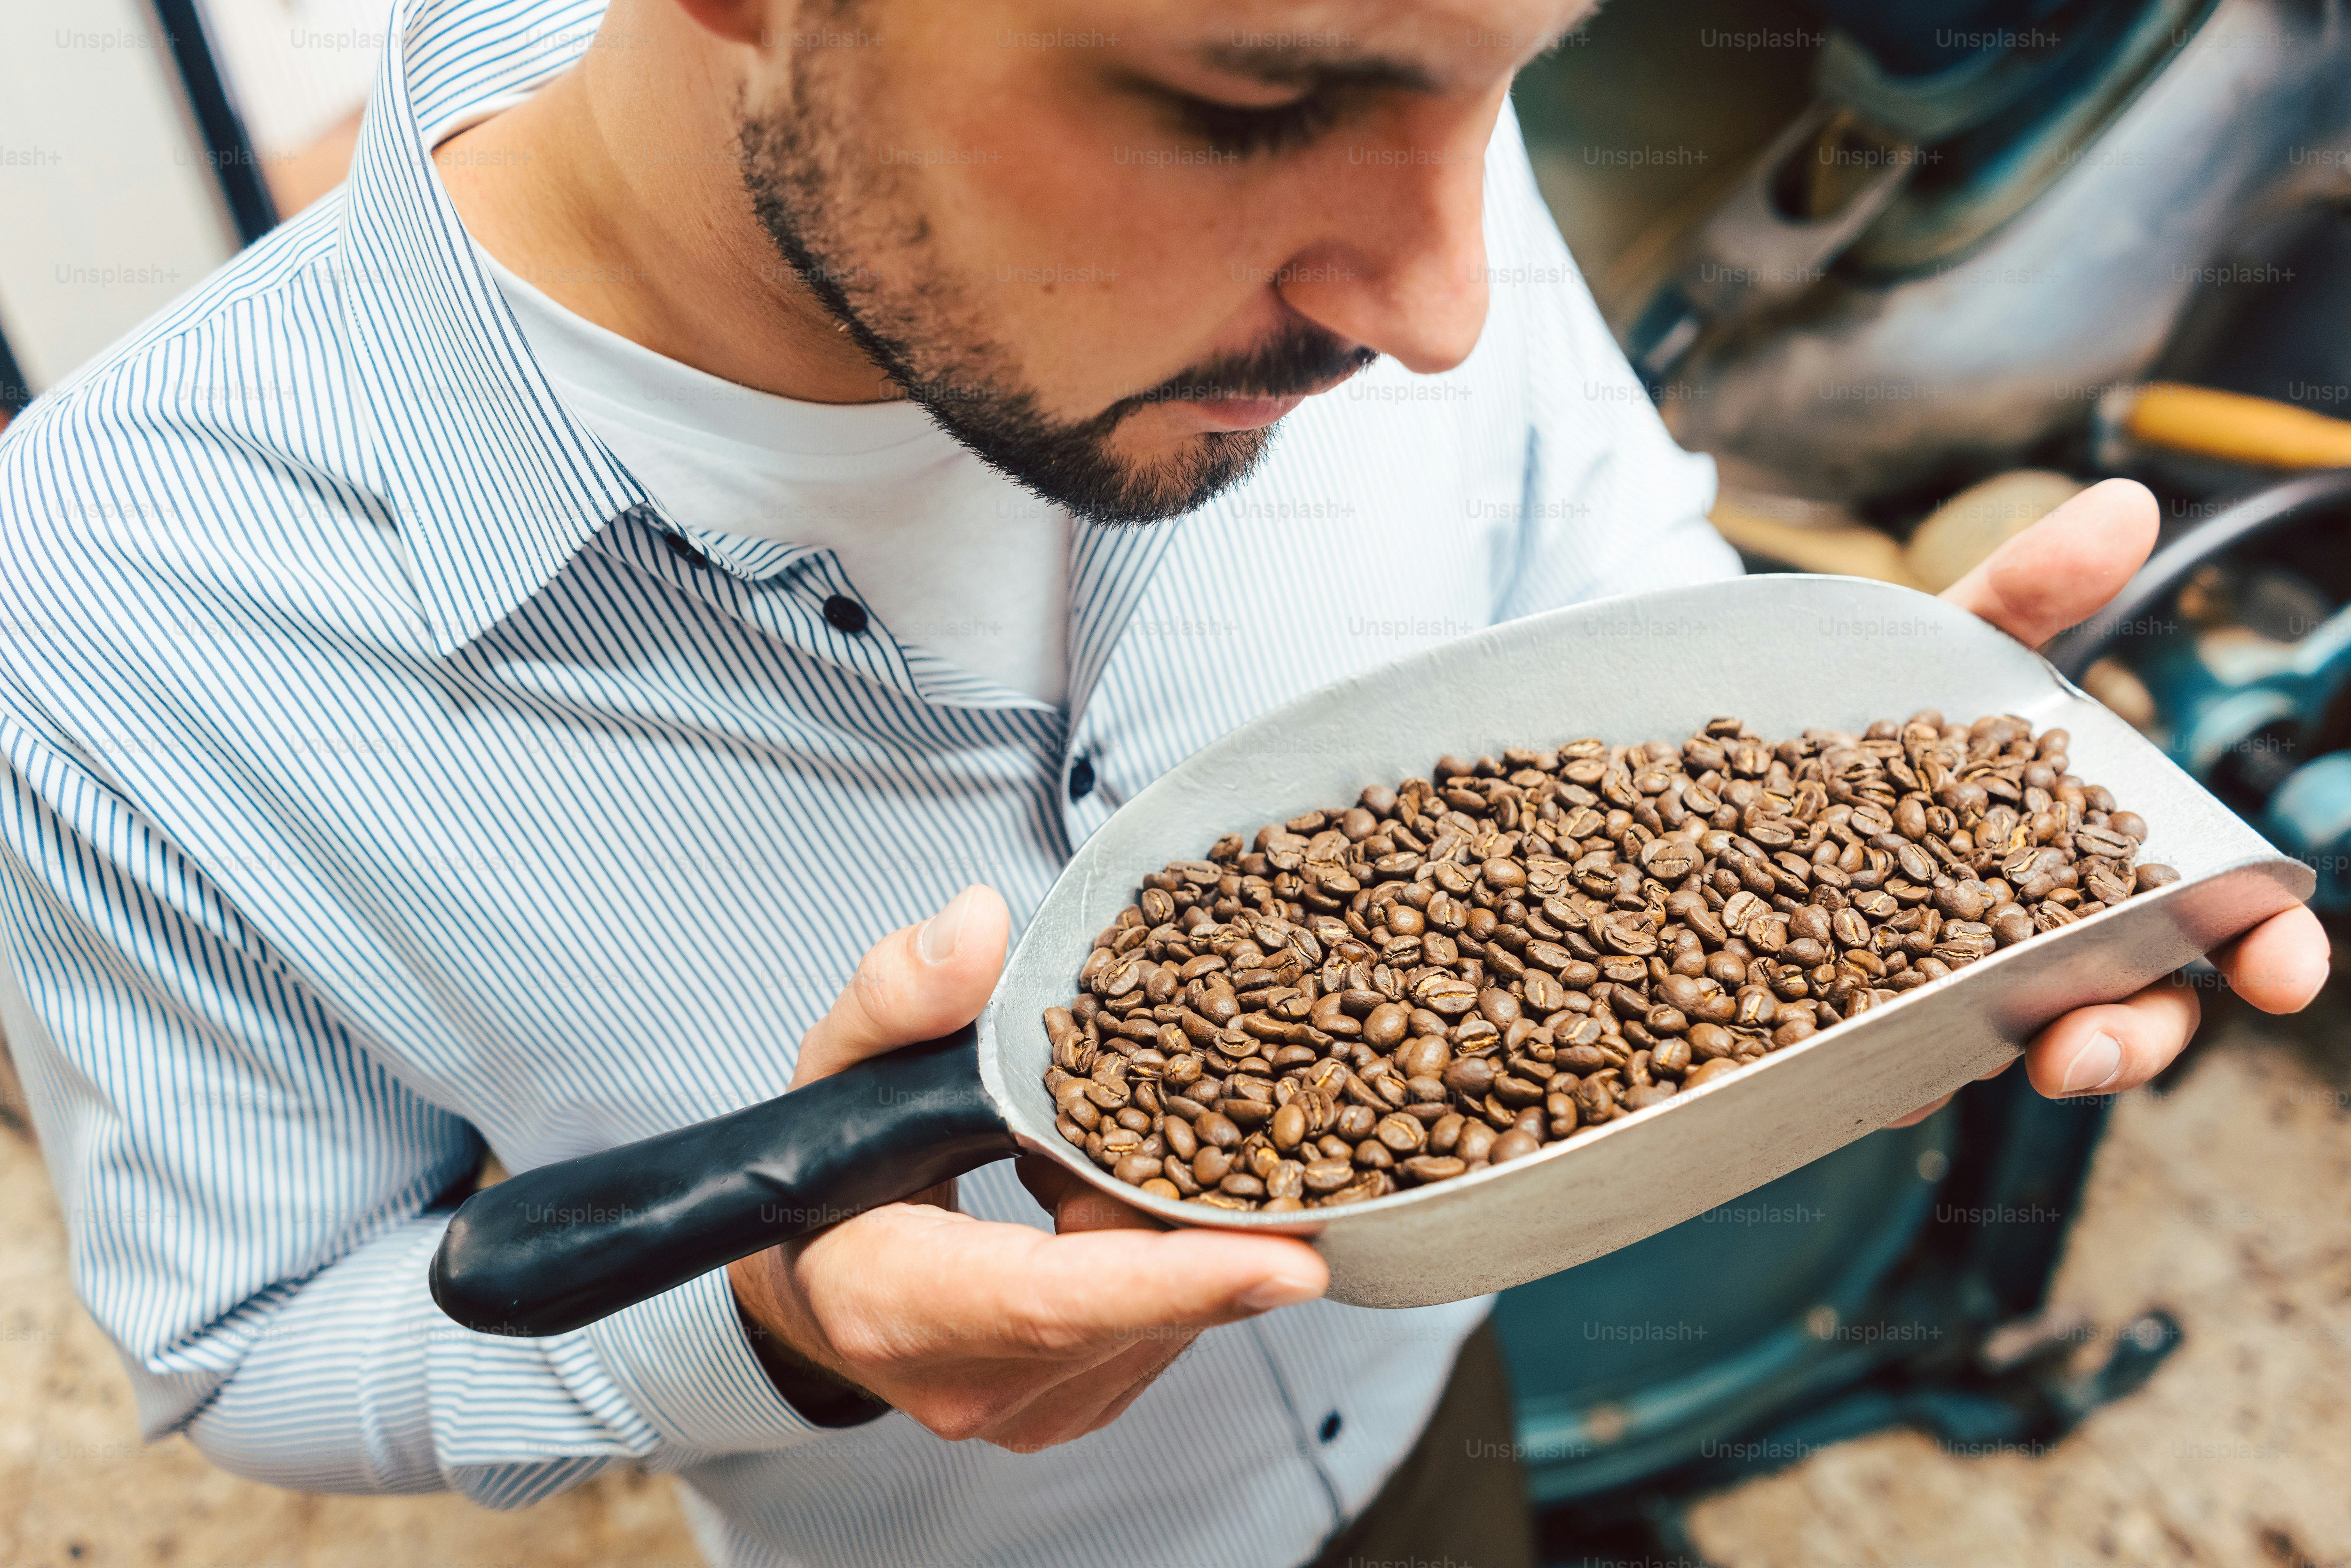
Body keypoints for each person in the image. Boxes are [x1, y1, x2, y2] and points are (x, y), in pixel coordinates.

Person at [0, 0, 2326, 1565]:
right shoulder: (104, 608)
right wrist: (786, 1339)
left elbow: (1611, 565)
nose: (1435, 302)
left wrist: (1855, 776)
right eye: (1247, 107)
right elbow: (252, 1346)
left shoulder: (1395, 154)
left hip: (1430, 1416)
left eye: (1504, 73)